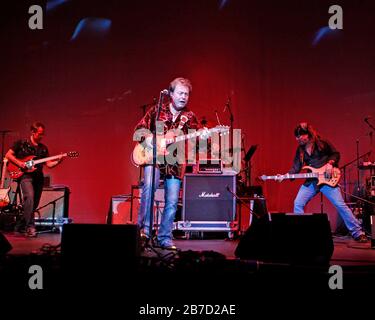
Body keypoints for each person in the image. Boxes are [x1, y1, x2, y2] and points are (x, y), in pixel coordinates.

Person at [134, 77, 199, 249]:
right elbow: (138, 131)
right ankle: (144, 233)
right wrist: (153, 140)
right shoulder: (157, 111)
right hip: (154, 157)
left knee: (171, 201)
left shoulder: (190, 117)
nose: (183, 97)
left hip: (175, 161)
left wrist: (200, 138)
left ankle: (164, 237)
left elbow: (195, 143)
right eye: (180, 93)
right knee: (149, 188)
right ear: (170, 94)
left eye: (186, 94)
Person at [277, 122, 368, 243]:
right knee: (298, 203)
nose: (297, 139)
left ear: (308, 135)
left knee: (340, 205)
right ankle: (300, 233)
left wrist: (330, 163)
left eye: (300, 136)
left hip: (327, 180)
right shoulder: (300, 150)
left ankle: (358, 232)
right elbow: (296, 167)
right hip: (312, 181)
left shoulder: (322, 143)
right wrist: (286, 176)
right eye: (296, 136)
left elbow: (335, 154)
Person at [5, 122, 64, 237]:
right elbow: (8, 155)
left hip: (38, 177)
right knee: (30, 198)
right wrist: (20, 163)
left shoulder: (43, 149)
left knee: (33, 204)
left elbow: (49, 164)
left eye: (43, 134)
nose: (41, 136)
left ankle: (19, 225)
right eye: (40, 134)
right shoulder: (21, 144)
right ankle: (30, 227)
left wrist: (59, 160)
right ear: (33, 132)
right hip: (25, 176)